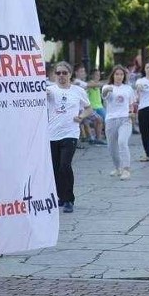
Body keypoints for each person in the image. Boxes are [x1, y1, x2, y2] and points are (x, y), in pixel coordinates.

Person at [46, 61, 92, 213]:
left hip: (70, 133)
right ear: (54, 75)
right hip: (52, 134)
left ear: (70, 74)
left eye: (64, 73)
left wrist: (81, 116)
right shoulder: (50, 90)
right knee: (55, 168)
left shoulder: (78, 91)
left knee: (65, 166)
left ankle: (69, 200)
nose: (61, 76)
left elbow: (88, 108)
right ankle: (61, 196)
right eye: (58, 73)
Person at [102, 65, 136, 179]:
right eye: (117, 74)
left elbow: (132, 103)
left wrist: (132, 112)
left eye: (121, 74)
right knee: (112, 147)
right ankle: (118, 168)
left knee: (122, 142)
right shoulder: (107, 86)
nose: (119, 76)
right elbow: (104, 95)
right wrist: (107, 90)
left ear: (124, 76)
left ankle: (126, 169)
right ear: (113, 75)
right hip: (111, 119)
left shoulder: (128, 88)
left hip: (125, 119)